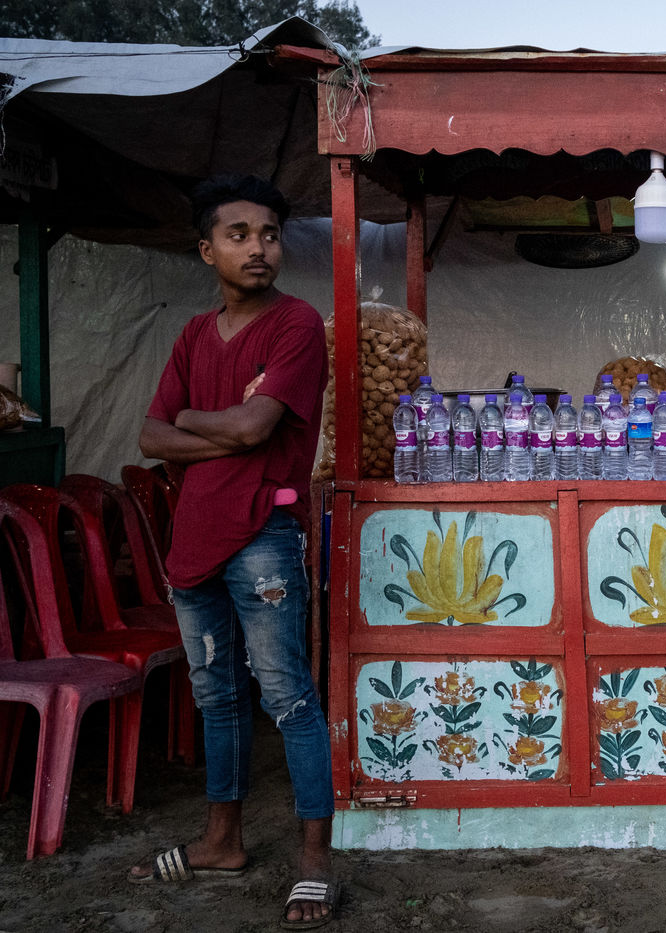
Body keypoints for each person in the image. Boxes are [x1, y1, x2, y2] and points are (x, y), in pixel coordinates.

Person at [127, 175, 336, 929]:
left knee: (287, 696)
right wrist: (211, 423)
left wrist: (192, 419)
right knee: (216, 694)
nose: (258, 248)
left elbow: (254, 428)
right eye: (239, 234)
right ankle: (222, 841)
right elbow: (150, 437)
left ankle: (316, 861)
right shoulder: (193, 334)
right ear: (206, 249)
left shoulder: (296, 324)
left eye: (270, 234)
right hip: (195, 541)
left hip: (265, 537)